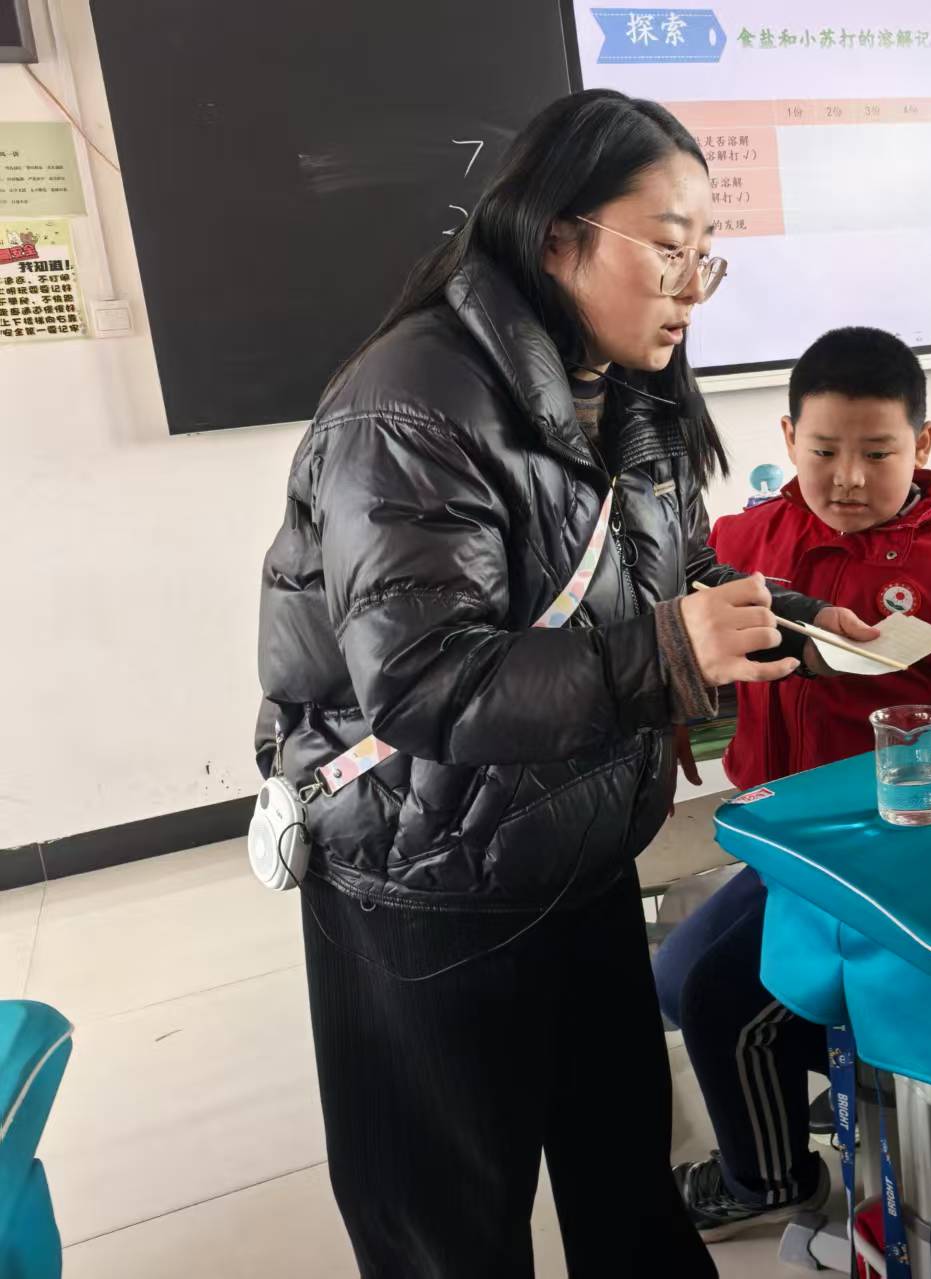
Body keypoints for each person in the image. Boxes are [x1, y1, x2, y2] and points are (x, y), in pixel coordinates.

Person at [253, 90, 877, 1278]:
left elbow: (668, 575)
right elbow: (424, 682)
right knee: (450, 1232)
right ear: (557, 239)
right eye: (669, 247)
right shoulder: (412, 403)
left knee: (625, 1189)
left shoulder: (624, 384)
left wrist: (790, 621)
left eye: (708, 253)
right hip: (422, 885)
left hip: (572, 849)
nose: (692, 286)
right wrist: (671, 650)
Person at [654, 325, 931, 1239]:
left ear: (923, 444)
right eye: (823, 451)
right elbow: (685, 616)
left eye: (878, 453)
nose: (847, 478)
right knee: (676, 976)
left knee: (721, 1005)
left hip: (897, 873)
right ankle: (849, 1067)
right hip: (789, 851)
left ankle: (770, 1177)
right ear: (786, 437)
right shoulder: (748, 540)